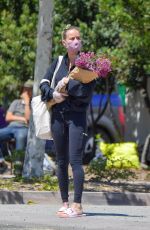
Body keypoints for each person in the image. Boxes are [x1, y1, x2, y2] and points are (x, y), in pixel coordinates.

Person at [40, 25, 96, 218]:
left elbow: (85, 93)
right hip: (57, 116)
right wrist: (53, 94)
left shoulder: (88, 65)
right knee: (61, 161)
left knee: (75, 160)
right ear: (64, 42)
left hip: (76, 118)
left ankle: (78, 206)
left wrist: (67, 84)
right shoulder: (58, 62)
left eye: (78, 38)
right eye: (71, 38)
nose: (75, 41)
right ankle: (65, 203)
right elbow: (44, 83)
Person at [0, 80, 33, 173]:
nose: (26, 92)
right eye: (25, 89)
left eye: (28, 90)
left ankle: (18, 168)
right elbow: (8, 117)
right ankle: (2, 160)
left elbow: (28, 119)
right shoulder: (16, 102)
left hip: (23, 128)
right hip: (11, 127)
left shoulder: (32, 104)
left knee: (21, 137)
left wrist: (27, 102)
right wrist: (22, 119)